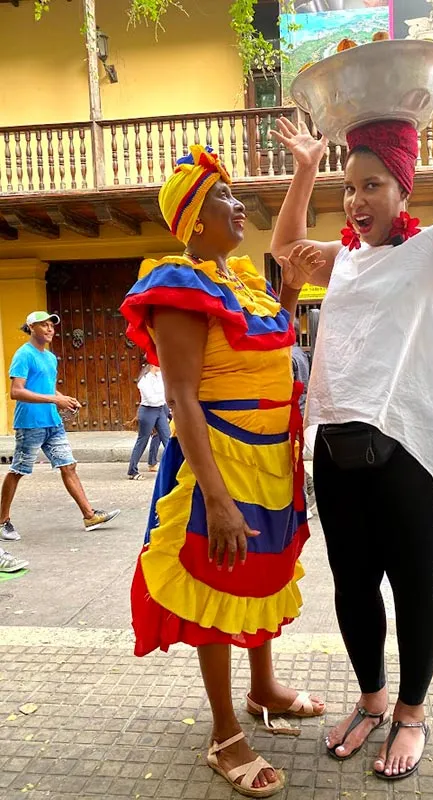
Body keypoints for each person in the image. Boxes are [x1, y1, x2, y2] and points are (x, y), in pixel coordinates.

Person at [270, 40, 433, 780]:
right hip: (336, 453)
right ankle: (373, 699)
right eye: (349, 188)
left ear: (402, 188)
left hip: (406, 454)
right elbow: (286, 250)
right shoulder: (345, 257)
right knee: (353, 590)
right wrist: (307, 169)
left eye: (372, 185)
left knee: (413, 591)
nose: (356, 201)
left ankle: (411, 713)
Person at [120, 145, 324, 798]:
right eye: (224, 198)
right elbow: (181, 397)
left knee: (263, 572)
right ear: (195, 218)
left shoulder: (243, 284)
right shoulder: (180, 287)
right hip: (220, 463)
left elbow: (274, 337)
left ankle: (263, 688)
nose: (239, 207)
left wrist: (290, 288)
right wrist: (216, 499)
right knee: (218, 577)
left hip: (270, 460)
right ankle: (225, 731)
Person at [0, 311, 121, 541]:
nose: (50, 329)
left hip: (53, 422)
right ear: (31, 327)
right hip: (30, 424)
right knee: (18, 471)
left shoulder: (50, 358)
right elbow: (17, 391)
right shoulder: (24, 354)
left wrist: (64, 399)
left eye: (52, 326)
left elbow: (46, 388)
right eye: (43, 325)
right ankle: (2, 521)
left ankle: (89, 516)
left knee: (69, 466)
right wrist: (55, 400)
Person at [127, 364, 170, 480]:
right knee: (143, 440)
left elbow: (167, 390)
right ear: (152, 365)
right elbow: (152, 400)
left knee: (168, 438)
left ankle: (174, 468)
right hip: (148, 411)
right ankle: (132, 471)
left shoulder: (160, 376)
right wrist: (164, 397)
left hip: (160, 409)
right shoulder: (144, 381)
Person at [292, 320, 315, 516]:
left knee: (293, 459)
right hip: (302, 408)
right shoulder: (301, 353)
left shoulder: (289, 355)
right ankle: (309, 490)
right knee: (296, 457)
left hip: (293, 411)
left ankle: (304, 503)